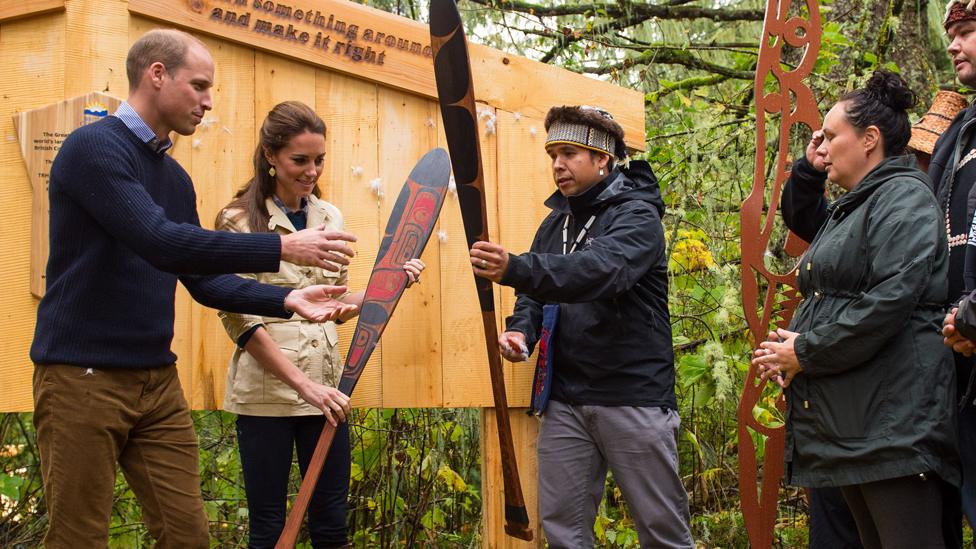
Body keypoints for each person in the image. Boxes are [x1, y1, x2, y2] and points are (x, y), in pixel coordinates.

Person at [29, 30, 361, 548]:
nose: (209, 102)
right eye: (200, 85)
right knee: (78, 538)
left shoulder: (175, 178)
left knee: (187, 536)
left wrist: (284, 298)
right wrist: (280, 251)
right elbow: (160, 241)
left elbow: (201, 279)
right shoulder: (94, 149)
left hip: (155, 380)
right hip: (82, 376)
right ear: (157, 74)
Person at [469, 105, 693, 548]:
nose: (557, 164)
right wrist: (521, 331)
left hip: (631, 397)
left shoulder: (638, 217)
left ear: (603, 159)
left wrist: (515, 266)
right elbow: (535, 295)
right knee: (563, 532)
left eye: (569, 152)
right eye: (552, 153)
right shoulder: (555, 224)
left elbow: (599, 271)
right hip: (565, 400)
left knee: (661, 532)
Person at [754, 70, 960, 549]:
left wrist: (807, 349)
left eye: (830, 136)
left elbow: (891, 300)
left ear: (869, 140)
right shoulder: (855, 206)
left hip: (895, 431)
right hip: (856, 426)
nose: (821, 147)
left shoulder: (905, 198)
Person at [214, 101, 424, 548]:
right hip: (266, 397)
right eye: (300, 160)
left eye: (319, 160)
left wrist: (387, 288)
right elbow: (239, 318)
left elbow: (333, 304)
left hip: (328, 390)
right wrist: (303, 387)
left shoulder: (329, 217)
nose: (312, 171)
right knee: (269, 528)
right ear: (271, 156)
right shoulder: (236, 222)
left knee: (332, 526)